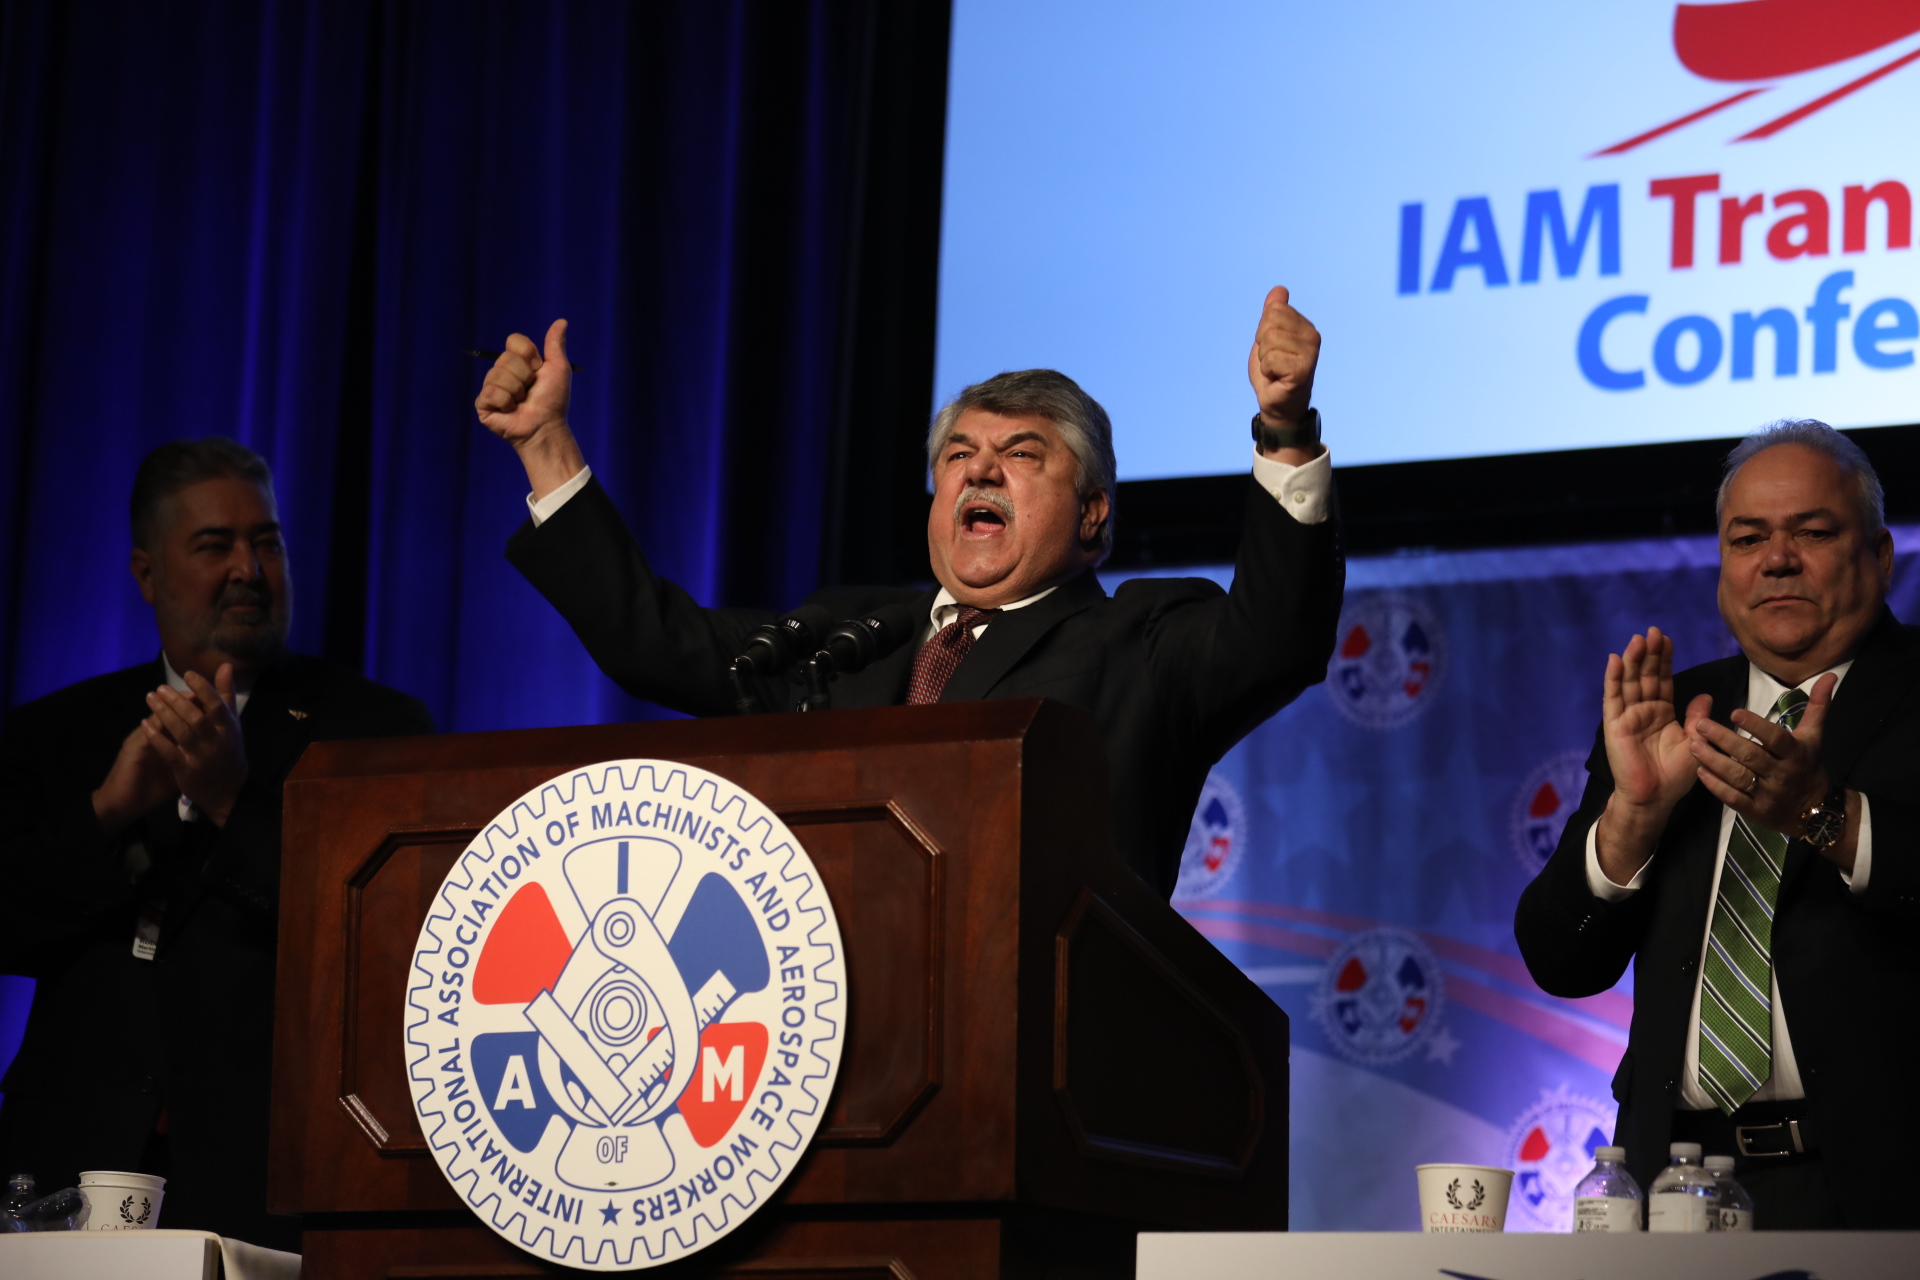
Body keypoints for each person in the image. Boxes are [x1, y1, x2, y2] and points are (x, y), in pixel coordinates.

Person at [476, 288, 1344, 894]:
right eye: (959, 455)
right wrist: (546, 446)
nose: (982, 471)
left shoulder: (1142, 645)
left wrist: (1284, 429)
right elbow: (654, 641)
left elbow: (1279, 636)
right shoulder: (847, 634)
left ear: (1092, 516)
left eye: (1024, 455)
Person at [0, 439, 435, 1249]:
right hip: (63, 1177)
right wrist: (105, 810)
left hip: (268, 1187)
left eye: (265, 542)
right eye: (214, 546)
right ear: (146, 574)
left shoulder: (374, 730)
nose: (248, 568)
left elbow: (390, 944)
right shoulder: (54, 735)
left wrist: (234, 796)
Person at [1515, 421, 1916, 1228]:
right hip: (1675, 1190)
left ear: (1878, 556)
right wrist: (1633, 817)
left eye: (1813, 531)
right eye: (1748, 538)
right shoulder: (1675, 714)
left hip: (1881, 1191)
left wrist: (1822, 815)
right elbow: (1560, 960)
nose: (1777, 559)